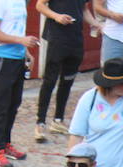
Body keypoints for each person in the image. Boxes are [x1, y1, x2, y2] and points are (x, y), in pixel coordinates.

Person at [0, 0, 39, 167]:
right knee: (1, 106)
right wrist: (20, 40)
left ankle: (6, 143)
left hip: (17, 57)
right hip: (2, 57)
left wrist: (26, 52)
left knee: (13, 103)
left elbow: (16, 28)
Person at [34, 0, 93, 141]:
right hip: (57, 36)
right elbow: (40, 5)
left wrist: (95, 23)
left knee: (67, 81)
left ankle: (58, 120)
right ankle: (40, 122)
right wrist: (56, 16)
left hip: (75, 37)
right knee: (49, 81)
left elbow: (84, 9)